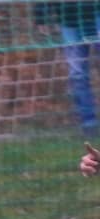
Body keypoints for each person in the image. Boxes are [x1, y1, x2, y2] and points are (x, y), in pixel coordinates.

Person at [35, 2, 100, 136]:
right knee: (78, 75)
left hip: (96, 14)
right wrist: (41, 15)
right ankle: (89, 124)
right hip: (69, 19)